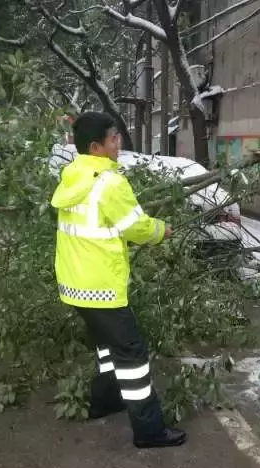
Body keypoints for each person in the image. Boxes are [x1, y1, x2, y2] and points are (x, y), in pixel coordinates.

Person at [51, 112, 187, 449]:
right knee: (132, 357)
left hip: (74, 285)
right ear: (96, 147)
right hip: (101, 288)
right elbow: (136, 227)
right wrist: (162, 231)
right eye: (114, 138)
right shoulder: (110, 182)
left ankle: (105, 401)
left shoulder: (72, 177)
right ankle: (149, 430)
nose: (119, 143)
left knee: (106, 348)